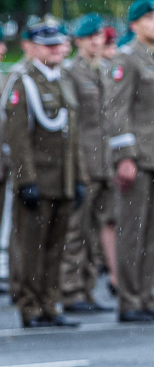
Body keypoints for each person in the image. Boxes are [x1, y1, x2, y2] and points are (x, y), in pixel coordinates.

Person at [104, 0, 154, 323]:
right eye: (149, 18)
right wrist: (125, 156)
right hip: (137, 159)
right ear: (134, 25)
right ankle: (129, 300)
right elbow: (116, 109)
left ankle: (147, 296)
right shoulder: (128, 58)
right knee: (132, 231)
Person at [4, 19, 84, 327]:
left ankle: (51, 303)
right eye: (48, 45)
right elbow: (18, 137)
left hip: (62, 178)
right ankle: (30, 306)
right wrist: (25, 180)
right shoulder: (22, 80)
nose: (56, 50)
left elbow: (72, 135)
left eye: (58, 44)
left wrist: (78, 179)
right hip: (38, 178)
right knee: (31, 248)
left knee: (55, 247)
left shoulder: (62, 79)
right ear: (31, 48)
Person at [59, 14, 113, 313]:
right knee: (76, 231)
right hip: (85, 162)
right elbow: (74, 124)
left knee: (94, 232)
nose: (96, 41)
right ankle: (71, 290)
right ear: (78, 41)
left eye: (99, 36)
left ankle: (89, 289)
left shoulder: (105, 70)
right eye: (89, 37)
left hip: (104, 162)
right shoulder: (72, 73)